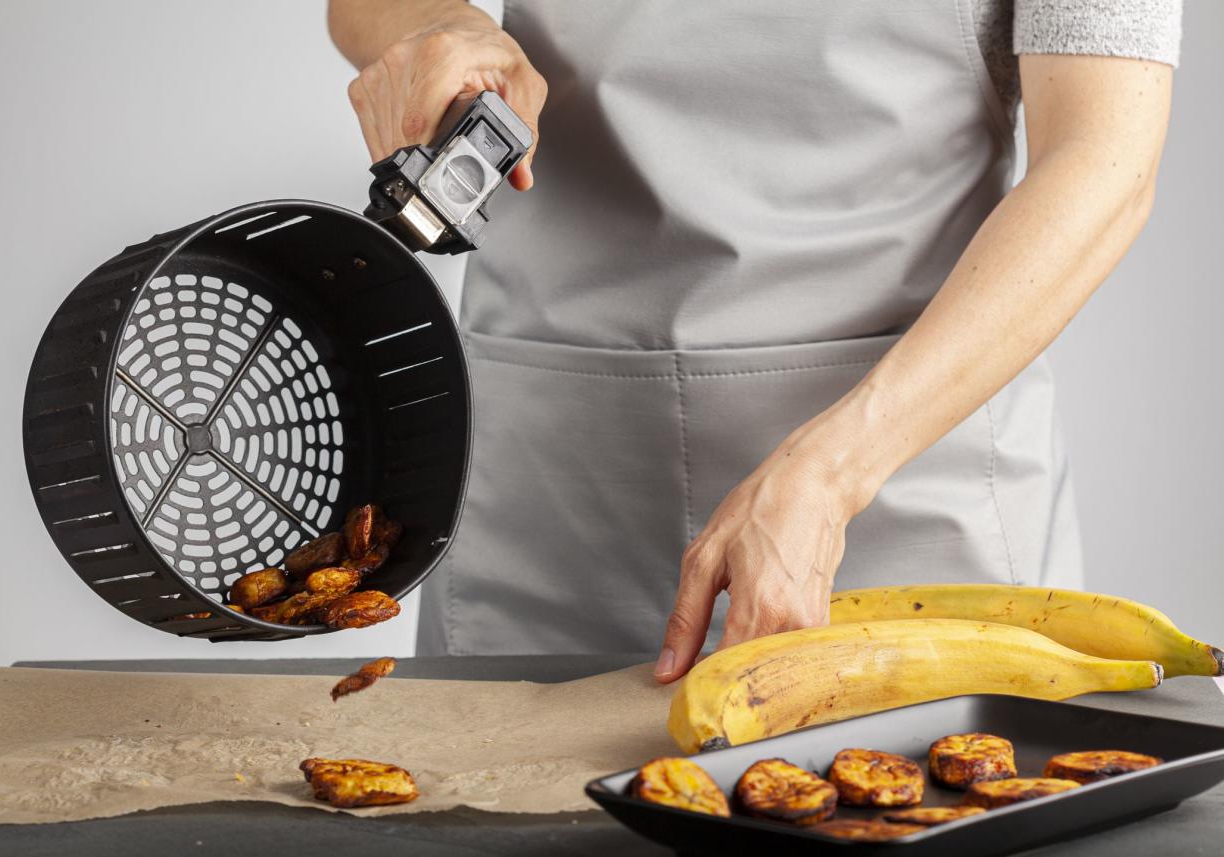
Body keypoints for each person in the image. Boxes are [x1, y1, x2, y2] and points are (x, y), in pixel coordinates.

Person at [327, 0, 1180, 682]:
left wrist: (832, 472)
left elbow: (1105, 161)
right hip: (554, 488)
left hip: (904, 484)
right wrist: (435, 28)